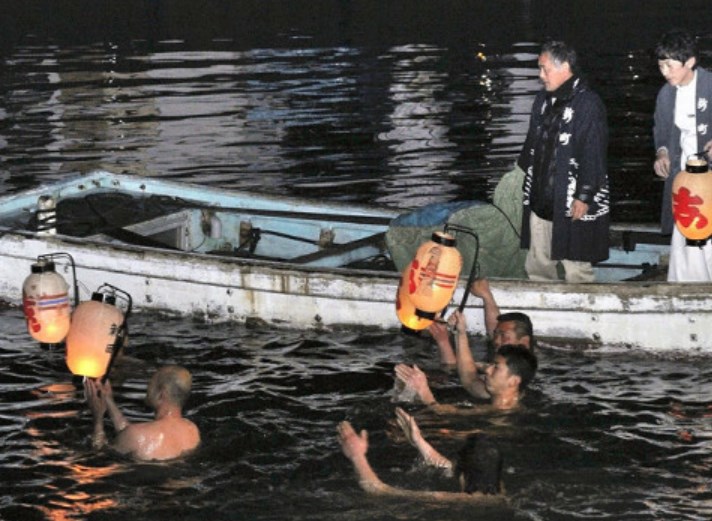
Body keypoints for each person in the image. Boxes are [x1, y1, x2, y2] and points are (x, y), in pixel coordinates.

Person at [519, 40, 610, 282]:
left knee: (576, 264)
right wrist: (522, 177)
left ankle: (585, 312)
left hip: (569, 196)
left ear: (565, 67)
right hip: (541, 193)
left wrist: (585, 195)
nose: (541, 76)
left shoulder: (587, 104)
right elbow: (532, 143)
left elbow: (594, 151)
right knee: (538, 262)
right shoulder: (542, 100)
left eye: (545, 69)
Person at [336, 408, 505, 502]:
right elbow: (447, 466)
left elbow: (378, 489)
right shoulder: (500, 494)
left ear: (463, 474)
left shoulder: (454, 499)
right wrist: (418, 441)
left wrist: (357, 455)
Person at [653, 29, 712, 281]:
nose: (664, 72)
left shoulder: (710, 86)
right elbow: (662, 130)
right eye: (660, 65)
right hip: (684, 178)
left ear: (689, 62)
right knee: (684, 231)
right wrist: (662, 153)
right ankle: (683, 284)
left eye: (669, 65)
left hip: (708, 180)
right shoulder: (667, 93)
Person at [85, 364, 201, 461]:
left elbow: (98, 454)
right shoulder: (192, 430)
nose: (147, 388)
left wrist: (98, 419)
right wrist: (108, 399)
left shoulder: (136, 436)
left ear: (161, 394)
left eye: (151, 383)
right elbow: (130, 434)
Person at [394, 342, 538, 413]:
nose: (487, 370)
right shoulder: (499, 405)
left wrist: (425, 393)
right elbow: (456, 410)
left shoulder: (502, 416)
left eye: (496, 367)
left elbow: (443, 414)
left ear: (514, 381)